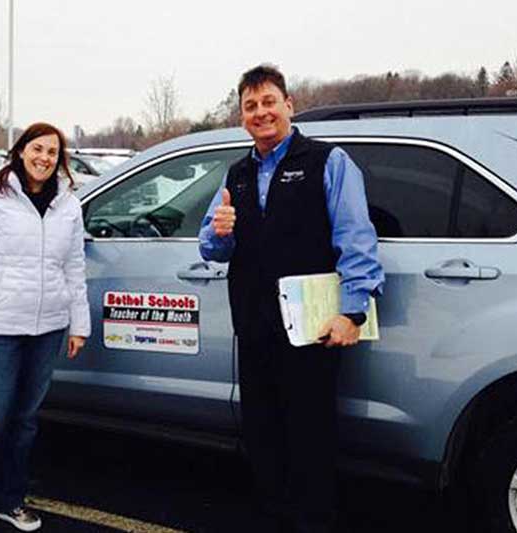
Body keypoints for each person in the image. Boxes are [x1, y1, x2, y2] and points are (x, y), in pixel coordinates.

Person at [198, 65, 384, 533]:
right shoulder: (237, 174)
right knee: (262, 433)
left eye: (269, 102)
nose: (260, 112)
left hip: (311, 329)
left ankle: (314, 521)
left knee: (310, 435)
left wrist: (353, 311)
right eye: (250, 106)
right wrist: (219, 232)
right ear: (242, 116)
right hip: (254, 325)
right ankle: (275, 517)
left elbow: (356, 239)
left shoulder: (328, 161)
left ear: (288, 106)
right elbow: (212, 247)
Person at [0, 122, 90, 533]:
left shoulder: (68, 204)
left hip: (48, 327)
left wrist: (79, 324)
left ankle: (11, 500)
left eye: (52, 152)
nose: (44, 158)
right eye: (37, 148)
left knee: (25, 420)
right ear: (21, 150)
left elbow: (74, 267)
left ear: (60, 160)